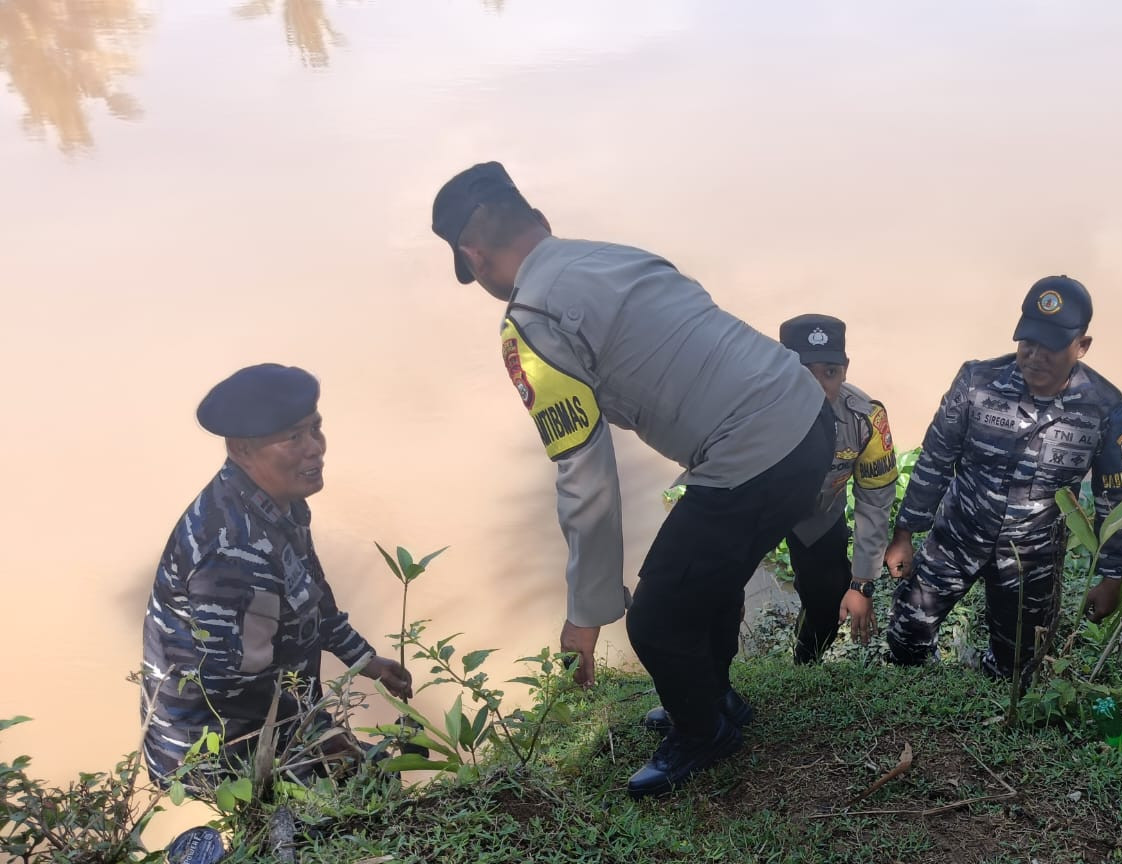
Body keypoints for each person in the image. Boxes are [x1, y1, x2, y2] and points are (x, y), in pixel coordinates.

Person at [430, 161, 832, 797]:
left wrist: (585, 613)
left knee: (654, 618)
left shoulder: (529, 321)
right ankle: (711, 698)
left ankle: (706, 734)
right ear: (541, 223)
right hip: (809, 421)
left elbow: (585, 475)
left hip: (752, 452)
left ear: (474, 257)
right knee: (709, 576)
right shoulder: (615, 255)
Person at [141, 365, 413, 786]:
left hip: (280, 711)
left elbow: (313, 598)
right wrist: (320, 733)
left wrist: (363, 658)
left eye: (316, 428)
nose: (315, 449)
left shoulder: (281, 503)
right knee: (337, 815)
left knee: (370, 786)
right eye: (293, 437)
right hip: (219, 746)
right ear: (242, 449)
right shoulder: (231, 550)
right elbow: (231, 683)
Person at [883, 276, 1122, 679]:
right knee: (905, 640)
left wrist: (1112, 574)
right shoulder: (977, 383)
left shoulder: (1104, 407)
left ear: (1082, 346)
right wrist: (905, 532)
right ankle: (916, 703)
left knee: (1017, 668)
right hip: (956, 538)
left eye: (1050, 347)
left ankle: (992, 706)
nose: (1035, 356)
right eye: (1027, 342)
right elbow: (935, 458)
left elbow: (1117, 497)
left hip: (1031, 559)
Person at [775, 313, 898, 662]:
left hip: (818, 515)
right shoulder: (749, 410)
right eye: (803, 372)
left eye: (830, 372)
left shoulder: (865, 419)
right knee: (713, 597)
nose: (818, 387)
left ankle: (803, 664)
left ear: (845, 369)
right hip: (757, 512)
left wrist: (862, 582)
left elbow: (874, 504)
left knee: (827, 606)